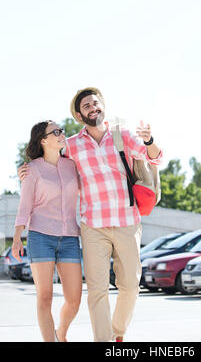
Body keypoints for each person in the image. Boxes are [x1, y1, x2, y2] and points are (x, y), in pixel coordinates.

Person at [18, 87, 163, 342]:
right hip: (92, 227)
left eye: (96, 104)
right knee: (97, 291)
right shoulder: (71, 146)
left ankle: (118, 331)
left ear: (103, 106)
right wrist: (26, 169)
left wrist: (150, 141)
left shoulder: (122, 136)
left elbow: (155, 158)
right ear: (79, 114)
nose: (93, 108)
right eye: (87, 106)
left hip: (127, 221)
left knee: (130, 287)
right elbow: (47, 157)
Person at [13, 120, 82, 343]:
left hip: (70, 237)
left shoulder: (72, 165)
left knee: (74, 299)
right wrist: (17, 237)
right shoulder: (32, 170)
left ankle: (61, 331)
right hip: (40, 235)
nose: (62, 134)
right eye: (56, 132)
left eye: (61, 130)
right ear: (43, 140)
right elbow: (25, 205)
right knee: (45, 297)